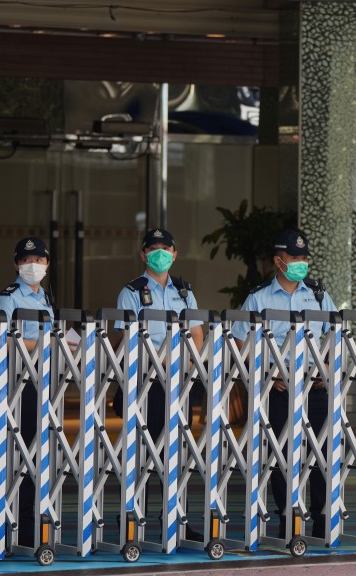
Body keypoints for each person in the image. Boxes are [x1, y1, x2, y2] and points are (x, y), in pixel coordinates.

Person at [231, 228, 336, 540]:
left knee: (322, 452)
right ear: (278, 261)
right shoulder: (258, 298)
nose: (301, 262)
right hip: (278, 389)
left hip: (316, 386)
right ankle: (286, 515)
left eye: (304, 257)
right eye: (294, 257)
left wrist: (328, 365)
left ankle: (320, 516)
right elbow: (240, 345)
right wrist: (266, 373)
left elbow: (334, 336)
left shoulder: (318, 295)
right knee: (280, 454)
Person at [113, 227, 204, 542]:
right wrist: (157, 362)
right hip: (146, 383)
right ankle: (133, 519)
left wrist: (192, 363)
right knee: (142, 451)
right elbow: (127, 339)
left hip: (179, 381)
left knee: (177, 450)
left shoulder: (184, 291)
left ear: (175, 254)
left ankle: (178, 519)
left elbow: (196, 332)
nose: (160, 254)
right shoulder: (132, 292)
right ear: (143, 254)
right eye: (153, 249)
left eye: (166, 248)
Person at [0, 236, 53, 547]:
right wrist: (46, 343)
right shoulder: (9, 298)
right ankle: (14, 525)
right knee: (20, 455)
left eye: (39, 260)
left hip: (42, 383)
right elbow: (4, 342)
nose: (33, 266)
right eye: (27, 260)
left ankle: (30, 523)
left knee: (37, 456)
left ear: (47, 264)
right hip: (18, 385)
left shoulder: (45, 297)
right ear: (17, 264)